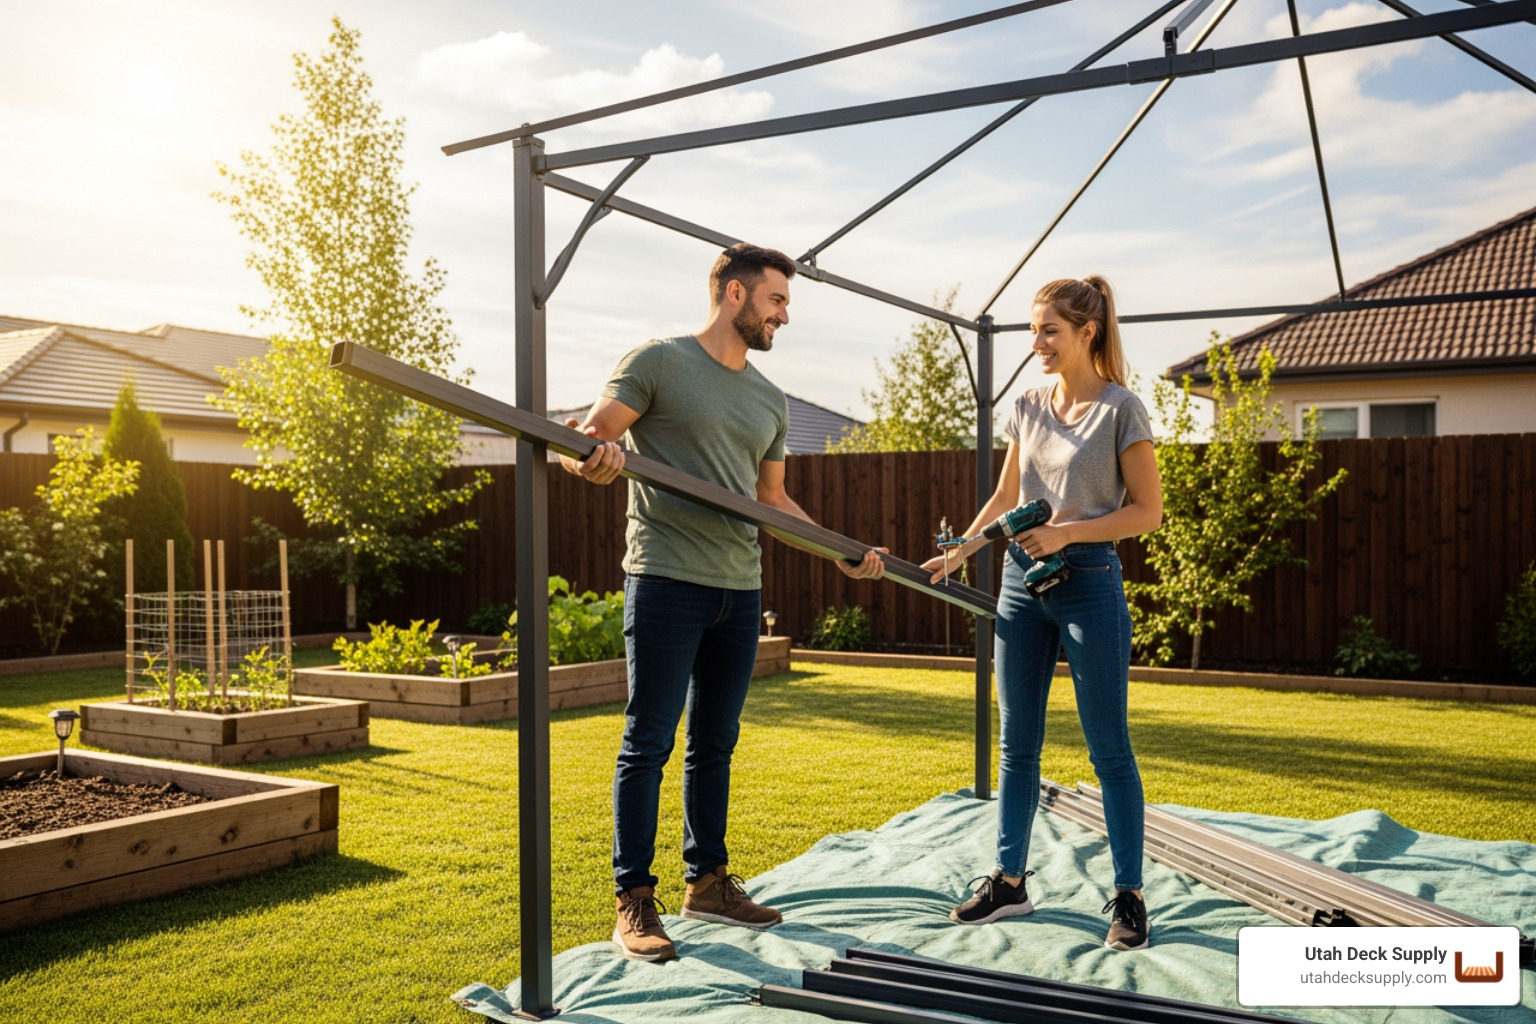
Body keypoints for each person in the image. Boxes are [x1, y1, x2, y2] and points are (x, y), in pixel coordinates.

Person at [561, 242, 886, 963]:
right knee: (648, 742)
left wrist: (841, 548)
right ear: (735, 295)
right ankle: (633, 897)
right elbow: (582, 439)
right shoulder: (659, 363)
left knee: (716, 744)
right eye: (777, 301)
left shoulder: (768, 399)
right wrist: (590, 459)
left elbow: (771, 502)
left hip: (740, 590)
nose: (785, 316)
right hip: (666, 579)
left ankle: (707, 883)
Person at [920, 276, 1162, 951]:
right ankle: (1009, 882)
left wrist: (1067, 534)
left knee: (1108, 747)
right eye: (1035, 331)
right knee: (1016, 744)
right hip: (1020, 585)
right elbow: (1005, 495)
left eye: (1049, 331)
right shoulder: (1028, 405)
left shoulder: (1121, 410)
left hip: (1088, 582)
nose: (1038, 344)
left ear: (1087, 332)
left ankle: (1129, 897)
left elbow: (1147, 512)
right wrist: (964, 550)